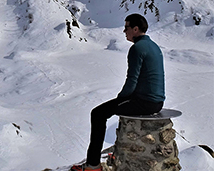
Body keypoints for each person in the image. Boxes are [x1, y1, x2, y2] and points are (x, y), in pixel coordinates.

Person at [71, 13, 166, 171]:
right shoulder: (153, 46)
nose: (124, 31)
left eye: (127, 27)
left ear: (135, 29)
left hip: (144, 102)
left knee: (98, 113)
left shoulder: (137, 49)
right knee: (103, 112)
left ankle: (93, 166)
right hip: (156, 102)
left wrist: (119, 100)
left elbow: (132, 81)